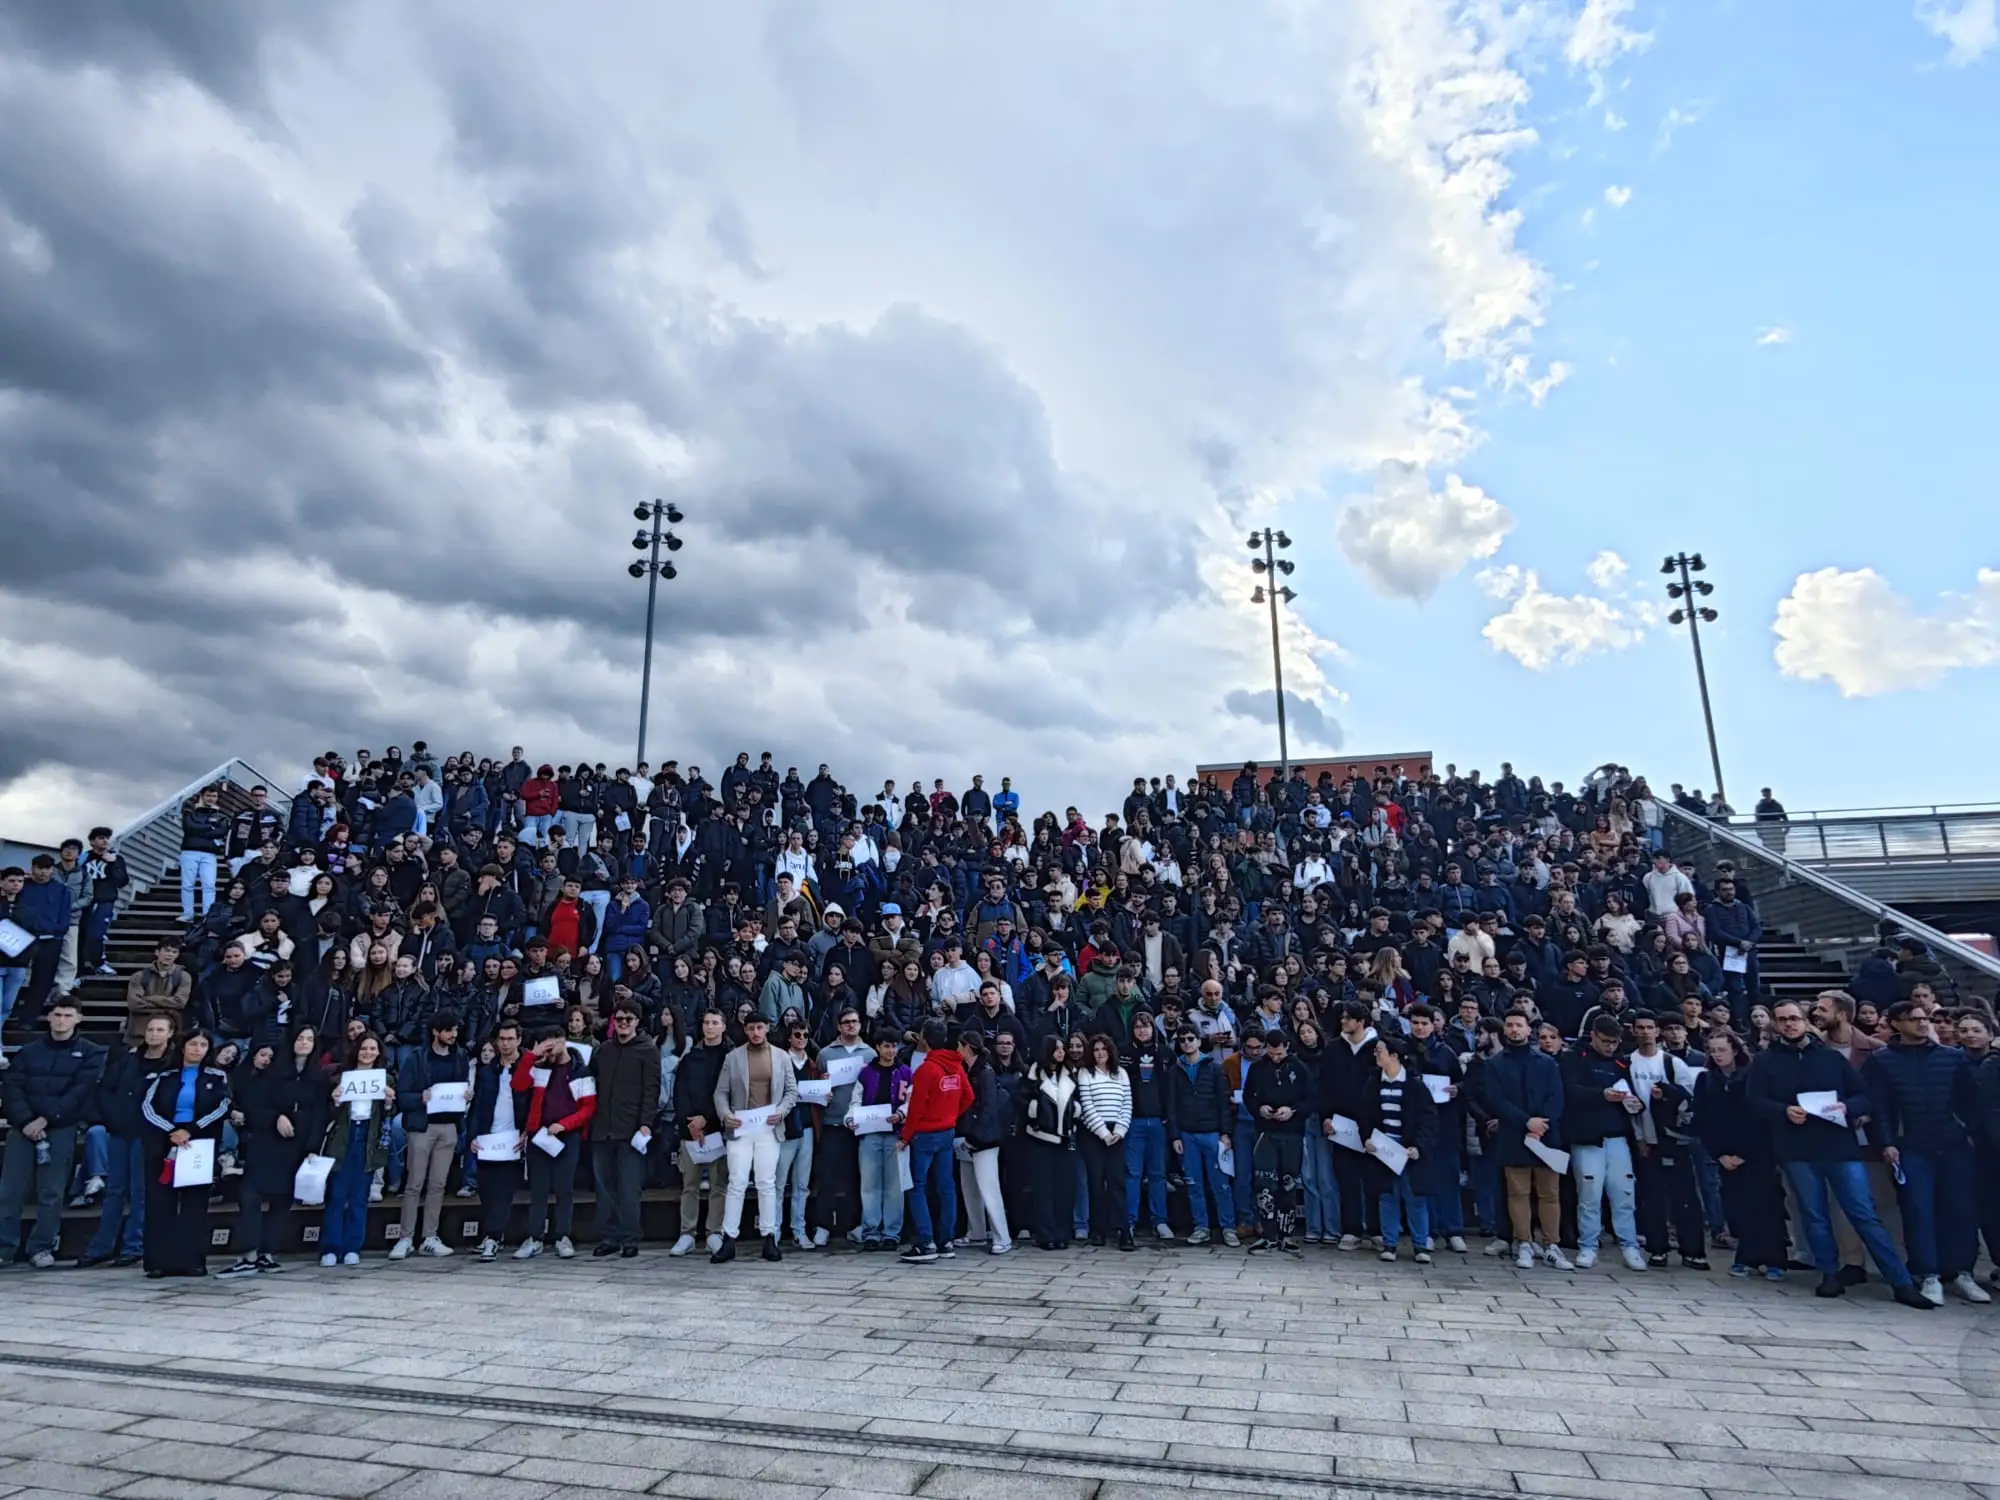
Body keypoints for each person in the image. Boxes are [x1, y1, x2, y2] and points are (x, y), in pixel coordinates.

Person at [1747, 1000, 1930, 1309]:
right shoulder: (1765, 1062)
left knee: (1863, 1213)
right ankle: (1829, 1273)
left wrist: (1847, 1107)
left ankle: (1900, 1281)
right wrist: (1783, 1110)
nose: (1789, 1024)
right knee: (1815, 1216)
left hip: (1839, 1146)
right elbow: (1754, 1101)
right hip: (1798, 1149)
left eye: (1794, 1018)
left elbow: (1862, 1096)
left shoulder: (1831, 1059)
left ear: (1805, 1021)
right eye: (1782, 1020)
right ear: (1776, 1025)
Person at [1861, 1001, 1989, 1305]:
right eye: (1914, 1019)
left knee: (1960, 1209)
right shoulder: (1882, 1061)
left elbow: (1970, 1101)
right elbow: (1880, 1107)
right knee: (1919, 1210)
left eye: (1924, 1018)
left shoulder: (1952, 1058)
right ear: (1895, 1024)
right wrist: (1887, 1142)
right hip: (1911, 1145)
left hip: (1953, 1142)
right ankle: (1927, 1273)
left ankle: (1961, 1271)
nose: (1922, 1023)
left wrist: (1968, 1132)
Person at [0, 999, 106, 1267]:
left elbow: (80, 1092)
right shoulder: (29, 1051)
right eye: (57, 1015)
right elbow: (12, 1087)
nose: (61, 1020)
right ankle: (4, 1247)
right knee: (10, 1190)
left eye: (67, 1015)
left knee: (52, 1191)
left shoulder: (91, 1052)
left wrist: (47, 1119)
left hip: (61, 1127)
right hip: (22, 1127)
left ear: (78, 1019)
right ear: (49, 1018)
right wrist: (26, 1120)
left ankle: (42, 1247)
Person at [220, 1025, 325, 1277]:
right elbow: (252, 1107)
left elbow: (320, 1115)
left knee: (282, 1200)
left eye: (309, 1039)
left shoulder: (318, 1077)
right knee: (251, 1196)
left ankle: (267, 1253)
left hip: (296, 1145)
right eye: (300, 1038)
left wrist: (312, 1147)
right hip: (267, 1141)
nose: (304, 1043)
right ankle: (247, 1252)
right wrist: (275, 1118)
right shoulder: (272, 1073)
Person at [78, 1014, 175, 1267]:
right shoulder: (128, 1059)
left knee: (140, 1191)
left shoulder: (171, 1064)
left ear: (170, 1034)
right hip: (121, 1130)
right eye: (151, 1029)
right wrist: (114, 1119)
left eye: (159, 1029)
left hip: (150, 1134)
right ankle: (102, 1246)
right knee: (115, 1190)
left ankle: (134, 1245)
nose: (154, 1034)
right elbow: (106, 1090)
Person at [1693, 1029, 1786, 1279]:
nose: (1717, 1055)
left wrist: (1747, 1153)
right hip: (1725, 1154)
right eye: (1713, 1051)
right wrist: (1720, 1154)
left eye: (1722, 1049)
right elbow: (1703, 1121)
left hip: (1758, 1151)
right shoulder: (1706, 1080)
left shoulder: (1754, 1076)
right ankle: (1746, 1256)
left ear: (1735, 1049)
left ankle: (1774, 1259)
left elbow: (1761, 1118)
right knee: (1737, 1207)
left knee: (1766, 1205)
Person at [1482, 1009, 1569, 1269]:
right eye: (1510, 1025)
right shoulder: (1495, 1063)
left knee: (1549, 1193)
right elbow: (1496, 1100)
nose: (1514, 1030)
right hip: (1513, 1134)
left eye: (1519, 1025)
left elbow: (1557, 1097)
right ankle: (1524, 1242)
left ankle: (1552, 1244)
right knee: (1517, 1192)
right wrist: (1525, 1122)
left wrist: (1540, 1124)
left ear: (1528, 1029)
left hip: (1546, 1135)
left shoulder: (1546, 1062)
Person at [139, 1029, 229, 1278]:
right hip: (165, 1142)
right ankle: (158, 1261)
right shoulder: (165, 1076)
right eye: (193, 1044)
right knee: (160, 1202)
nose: (197, 1049)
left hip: (198, 1144)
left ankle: (192, 1260)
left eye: (203, 1045)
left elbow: (223, 1106)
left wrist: (191, 1130)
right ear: (182, 1046)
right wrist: (172, 1131)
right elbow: (147, 1106)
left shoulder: (217, 1075)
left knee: (194, 1203)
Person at [1561, 1014, 1648, 1272]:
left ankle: (1629, 1245)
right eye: (1606, 1041)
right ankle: (1588, 1244)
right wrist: (1601, 1095)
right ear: (1594, 1035)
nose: (1610, 1046)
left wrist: (1635, 1104)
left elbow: (1634, 1094)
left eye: (1615, 1042)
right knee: (1589, 1193)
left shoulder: (1621, 1063)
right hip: (1587, 1137)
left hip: (1618, 1136)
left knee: (1623, 1192)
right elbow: (1568, 1090)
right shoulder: (1575, 1058)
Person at [712, 1012, 797, 1263]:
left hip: (769, 1127)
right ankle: (729, 1238)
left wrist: (781, 1112)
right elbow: (720, 1092)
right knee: (736, 1182)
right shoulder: (733, 1057)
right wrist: (726, 1115)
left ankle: (769, 1236)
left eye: (760, 1028)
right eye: (751, 1028)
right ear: (745, 1030)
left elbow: (791, 1091)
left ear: (767, 1028)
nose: (756, 1033)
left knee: (766, 1182)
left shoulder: (781, 1056)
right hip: (741, 1126)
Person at [390, 1012, 473, 1261]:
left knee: (438, 1185)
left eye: (455, 1030)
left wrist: (466, 1096)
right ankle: (405, 1237)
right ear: (436, 1032)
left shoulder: (460, 1057)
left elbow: (462, 1087)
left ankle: (429, 1236)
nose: (453, 1035)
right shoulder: (417, 1058)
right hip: (422, 1127)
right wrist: (419, 1098)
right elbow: (401, 1094)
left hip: (448, 1126)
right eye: (448, 1030)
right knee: (414, 1184)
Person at [512, 1026, 596, 1259]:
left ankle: (562, 1236)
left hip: (567, 1136)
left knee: (564, 1189)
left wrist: (566, 1125)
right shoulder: (539, 1068)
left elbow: (588, 1107)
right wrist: (532, 1056)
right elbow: (517, 1085)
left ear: (563, 1042)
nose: (549, 1050)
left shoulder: (581, 1071)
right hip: (539, 1135)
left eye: (552, 1045)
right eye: (545, 1045)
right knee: (538, 1190)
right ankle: (535, 1237)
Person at [589, 997, 662, 1258]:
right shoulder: (604, 1050)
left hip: (631, 1129)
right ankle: (609, 1237)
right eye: (618, 1019)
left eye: (628, 1019)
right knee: (604, 1188)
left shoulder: (647, 1050)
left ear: (637, 1022)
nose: (623, 1024)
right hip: (602, 1127)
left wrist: (646, 1123)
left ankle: (630, 1237)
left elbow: (652, 1090)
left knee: (629, 1187)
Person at [318, 1032, 396, 1267]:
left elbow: (387, 1116)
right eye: (364, 1048)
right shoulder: (341, 1078)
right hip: (344, 1135)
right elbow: (327, 1114)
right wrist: (335, 1101)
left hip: (368, 1138)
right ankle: (330, 1248)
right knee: (336, 1196)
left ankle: (353, 1247)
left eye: (373, 1049)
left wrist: (390, 1102)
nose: (368, 1053)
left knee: (359, 1197)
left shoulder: (386, 1079)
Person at [1359, 1035, 1437, 1263]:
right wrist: (1366, 1139)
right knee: (1387, 1197)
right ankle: (1390, 1244)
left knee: (1415, 1198)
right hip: (1384, 1152)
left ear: (1393, 1055)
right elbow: (1365, 1115)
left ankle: (1420, 1245)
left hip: (1409, 1152)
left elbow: (1428, 1119)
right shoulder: (1373, 1082)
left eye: (1380, 1050)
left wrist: (1418, 1146)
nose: (1376, 1054)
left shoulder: (1415, 1084)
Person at [670, 1009, 732, 1256]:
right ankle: (687, 1233)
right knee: (689, 1185)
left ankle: (714, 1232)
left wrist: (707, 1119)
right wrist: (692, 1125)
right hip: (691, 1132)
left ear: (723, 1027)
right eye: (706, 1022)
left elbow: (728, 1092)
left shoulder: (730, 1057)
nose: (710, 1027)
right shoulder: (690, 1058)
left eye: (715, 1023)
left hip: (718, 1130)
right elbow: (679, 1093)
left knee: (719, 1185)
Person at [1244, 1027, 1312, 1253]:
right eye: (1271, 1053)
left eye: (1279, 1054)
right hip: (1266, 1132)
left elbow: (1310, 1101)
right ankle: (1268, 1234)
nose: (1275, 1058)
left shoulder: (1300, 1069)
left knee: (1288, 1183)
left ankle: (1287, 1235)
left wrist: (1292, 1110)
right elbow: (1248, 1097)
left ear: (1287, 1048)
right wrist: (1258, 1108)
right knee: (1264, 1183)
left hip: (1292, 1132)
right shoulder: (1257, 1069)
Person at [1165, 1025, 1230, 1246]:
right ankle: (1200, 1226)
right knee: (1193, 1184)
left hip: (1212, 1133)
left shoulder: (1214, 1067)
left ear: (1199, 1041)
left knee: (1220, 1183)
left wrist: (1225, 1133)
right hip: (1186, 1133)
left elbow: (1223, 1102)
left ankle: (1228, 1227)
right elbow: (1171, 1105)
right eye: (1182, 1040)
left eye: (1191, 1038)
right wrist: (1175, 1136)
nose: (1186, 1043)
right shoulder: (1174, 1071)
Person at [469, 1019, 528, 1262]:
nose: (505, 1044)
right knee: (487, 1190)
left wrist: (527, 1133)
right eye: (501, 1039)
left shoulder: (528, 1069)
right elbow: (476, 1106)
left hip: (513, 1141)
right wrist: (473, 1136)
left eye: (510, 1039)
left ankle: (493, 1238)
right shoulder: (487, 1071)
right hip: (488, 1140)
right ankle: (493, 1234)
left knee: (503, 1191)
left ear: (519, 1040)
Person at [852, 1027, 912, 1250]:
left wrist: (901, 1114)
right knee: (869, 1184)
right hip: (869, 1133)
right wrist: (852, 1118)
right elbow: (856, 1101)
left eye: (894, 1046)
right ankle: (871, 1231)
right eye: (886, 1046)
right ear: (877, 1048)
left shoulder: (906, 1072)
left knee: (894, 1186)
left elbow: (910, 1100)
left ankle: (892, 1232)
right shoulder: (866, 1072)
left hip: (895, 1134)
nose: (891, 1050)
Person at [954, 1030, 1014, 1254]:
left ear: (968, 1046)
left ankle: (1002, 1236)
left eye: (960, 1046)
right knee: (969, 1187)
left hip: (984, 1138)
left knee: (989, 1187)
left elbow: (988, 1109)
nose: (957, 1051)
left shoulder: (985, 1071)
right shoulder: (967, 1070)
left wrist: (974, 1137)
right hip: (966, 1134)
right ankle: (977, 1232)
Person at [1075, 1031, 1134, 1251]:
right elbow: (1087, 1105)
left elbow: (1127, 1103)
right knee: (1096, 1182)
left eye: (1104, 1049)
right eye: (1096, 1050)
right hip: (1094, 1134)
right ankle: (1097, 1230)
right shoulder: (1085, 1073)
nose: (1100, 1053)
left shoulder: (1121, 1074)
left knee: (1117, 1183)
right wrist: (1103, 1133)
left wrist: (1119, 1130)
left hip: (1117, 1132)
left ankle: (1123, 1231)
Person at [1022, 1033, 1079, 1251]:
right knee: (1043, 1189)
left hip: (1065, 1139)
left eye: (1062, 1048)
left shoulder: (1071, 1074)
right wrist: (1033, 1111)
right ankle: (1045, 1235)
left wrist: (1076, 1113)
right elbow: (1022, 1099)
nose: (1061, 1052)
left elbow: (1077, 1100)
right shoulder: (1033, 1074)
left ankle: (1063, 1233)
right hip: (1040, 1140)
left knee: (1064, 1189)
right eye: (1056, 1048)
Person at [1122, 1011, 1174, 1243]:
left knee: (1157, 1173)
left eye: (1146, 1026)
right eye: (1137, 1027)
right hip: (1133, 1121)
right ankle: (1129, 1222)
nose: (1142, 1030)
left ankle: (1160, 1220)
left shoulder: (1165, 1053)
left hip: (1158, 1121)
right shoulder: (1123, 1054)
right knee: (1132, 1173)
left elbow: (1173, 1088)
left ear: (1153, 1028)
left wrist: (1168, 1116)